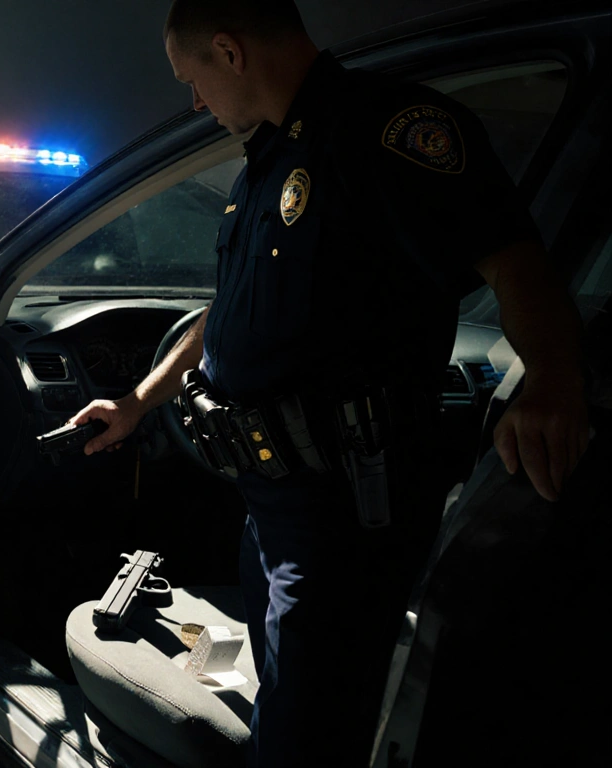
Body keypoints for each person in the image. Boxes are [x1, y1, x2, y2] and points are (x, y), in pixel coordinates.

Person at [69, 1, 590, 765]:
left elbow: (511, 259)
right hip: (271, 507)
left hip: (342, 522)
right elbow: (228, 312)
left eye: (195, 80)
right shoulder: (267, 166)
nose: (196, 102)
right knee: (283, 690)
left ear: (230, 49)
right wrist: (139, 402)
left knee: (308, 737)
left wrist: (551, 376)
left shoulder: (387, 132)